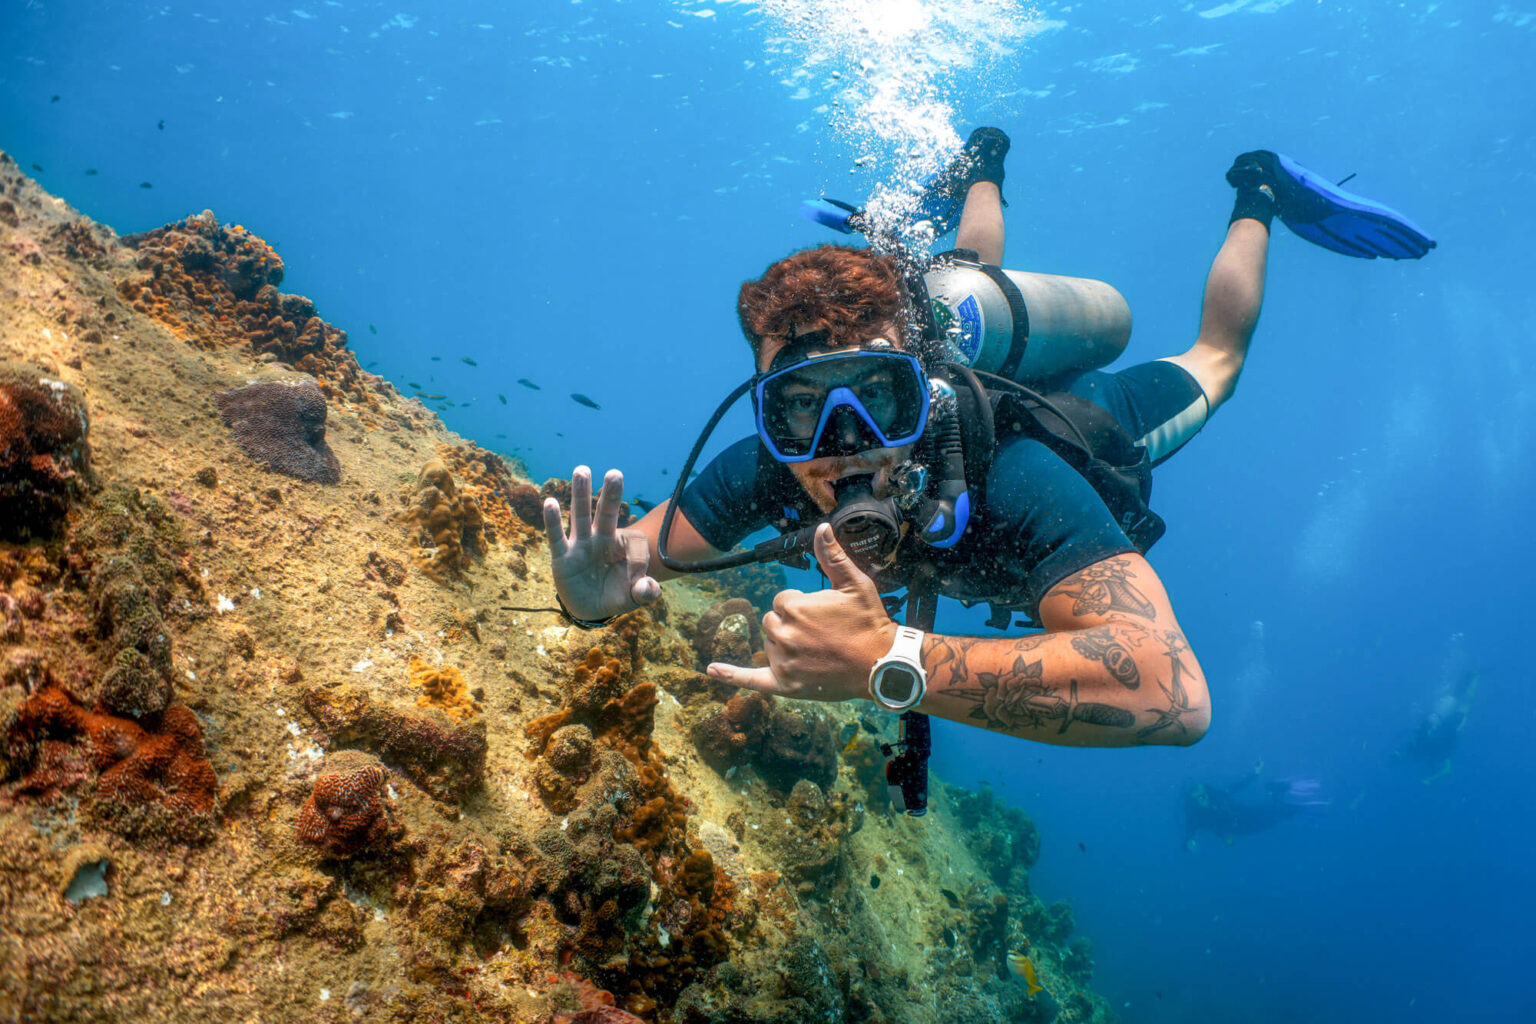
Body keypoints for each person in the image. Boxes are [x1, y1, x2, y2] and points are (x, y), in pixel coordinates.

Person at [542, 128, 1433, 752]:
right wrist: (591, 592)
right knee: (968, 276)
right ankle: (985, 165)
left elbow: (1175, 695)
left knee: (1216, 360)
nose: (841, 443)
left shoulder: (1021, 477)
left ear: (922, 390)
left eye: (879, 397)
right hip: (945, 335)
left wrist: (892, 661)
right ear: (767, 412)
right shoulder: (782, 465)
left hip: (1092, 419)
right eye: (801, 406)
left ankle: (1259, 190)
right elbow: (625, 558)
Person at [1183, 767, 1327, 848]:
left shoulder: (1216, 795)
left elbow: (1234, 787)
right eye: (1198, 799)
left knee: (1273, 814)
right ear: (1194, 801)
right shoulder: (1196, 816)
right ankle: (1282, 797)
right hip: (1241, 828)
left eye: (1203, 795)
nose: (1203, 799)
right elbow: (1190, 830)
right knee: (1272, 819)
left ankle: (1287, 799)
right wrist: (1189, 842)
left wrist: (1254, 775)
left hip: (1244, 813)